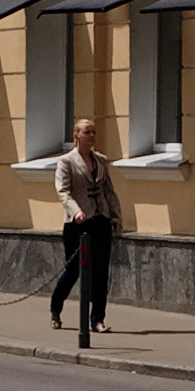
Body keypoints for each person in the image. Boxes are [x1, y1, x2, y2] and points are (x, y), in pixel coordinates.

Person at [51, 114, 120, 333]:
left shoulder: (100, 159)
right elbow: (63, 191)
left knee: (100, 271)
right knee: (74, 270)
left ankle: (97, 320)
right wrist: (76, 211)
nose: (91, 136)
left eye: (94, 132)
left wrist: (116, 216)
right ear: (76, 136)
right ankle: (55, 307)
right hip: (77, 223)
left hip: (100, 220)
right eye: (87, 132)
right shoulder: (66, 161)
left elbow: (108, 190)